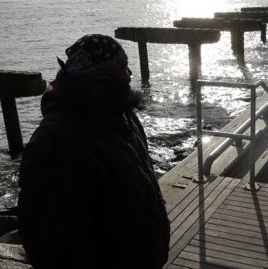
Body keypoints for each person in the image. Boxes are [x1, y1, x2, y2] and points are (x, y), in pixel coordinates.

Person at [17, 34, 170, 269]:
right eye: (122, 67)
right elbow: (54, 247)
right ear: (97, 78)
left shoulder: (122, 116)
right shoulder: (56, 143)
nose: (129, 75)